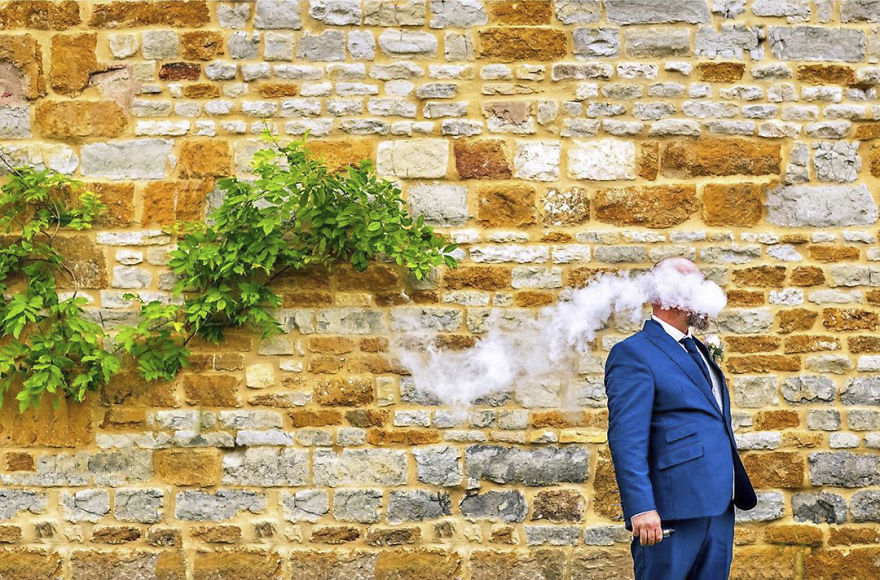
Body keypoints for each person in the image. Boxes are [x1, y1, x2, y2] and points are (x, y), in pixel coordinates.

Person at [604, 258, 757, 580]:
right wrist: (641, 508)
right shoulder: (634, 353)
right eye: (696, 286)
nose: (705, 294)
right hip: (671, 510)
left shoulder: (699, 348)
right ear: (669, 296)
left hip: (719, 507)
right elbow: (626, 438)